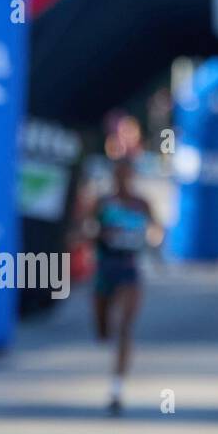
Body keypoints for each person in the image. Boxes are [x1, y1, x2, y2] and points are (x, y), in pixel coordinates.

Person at [88, 159, 158, 415]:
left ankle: (116, 389)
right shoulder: (103, 203)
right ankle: (105, 332)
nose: (123, 181)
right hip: (105, 271)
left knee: (125, 327)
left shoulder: (141, 204)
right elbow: (85, 229)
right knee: (103, 332)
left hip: (130, 271)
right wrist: (100, 234)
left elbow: (156, 230)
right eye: (119, 176)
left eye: (127, 176)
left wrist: (153, 240)